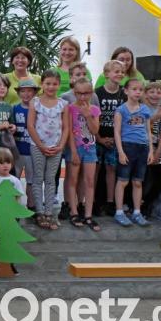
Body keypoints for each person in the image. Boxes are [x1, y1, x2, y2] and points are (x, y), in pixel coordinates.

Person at [26, 70, 69, 230]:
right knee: (38, 178)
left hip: (56, 148)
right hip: (37, 146)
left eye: (54, 84)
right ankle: (39, 212)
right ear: (42, 84)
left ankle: (49, 212)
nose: (51, 87)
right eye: (48, 83)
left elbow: (66, 128)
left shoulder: (63, 104)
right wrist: (41, 146)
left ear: (59, 85)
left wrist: (60, 145)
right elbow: (30, 125)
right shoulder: (35, 102)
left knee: (51, 179)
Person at [113, 79, 153, 227]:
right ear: (126, 91)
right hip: (127, 147)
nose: (138, 92)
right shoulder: (121, 110)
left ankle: (137, 212)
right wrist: (121, 152)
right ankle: (119, 212)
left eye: (140, 90)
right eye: (134, 89)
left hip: (142, 148)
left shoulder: (145, 109)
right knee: (123, 181)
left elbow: (148, 131)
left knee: (137, 182)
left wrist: (151, 150)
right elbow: (117, 132)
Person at [64, 78, 101, 231]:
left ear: (91, 93)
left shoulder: (94, 109)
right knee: (72, 180)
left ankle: (88, 215)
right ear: (74, 92)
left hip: (90, 148)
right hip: (75, 148)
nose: (82, 97)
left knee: (89, 181)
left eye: (86, 93)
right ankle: (73, 212)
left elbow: (95, 130)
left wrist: (87, 115)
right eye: (79, 93)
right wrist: (73, 152)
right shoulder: (70, 108)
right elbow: (69, 132)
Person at [94, 60, 126, 217]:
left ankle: (110, 202)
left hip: (115, 140)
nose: (120, 74)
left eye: (122, 72)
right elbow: (92, 118)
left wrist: (117, 139)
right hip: (98, 138)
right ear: (107, 74)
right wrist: (99, 138)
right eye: (116, 71)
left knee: (112, 170)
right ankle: (92, 201)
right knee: (95, 170)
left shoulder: (124, 94)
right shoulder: (97, 93)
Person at [142, 83, 161, 217]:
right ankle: (132, 205)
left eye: (158, 93)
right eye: (152, 92)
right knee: (139, 178)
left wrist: (158, 152)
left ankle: (145, 203)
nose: (155, 95)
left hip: (155, 149)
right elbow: (142, 126)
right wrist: (158, 115)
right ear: (146, 94)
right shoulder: (141, 108)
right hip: (141, 147)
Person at [12, 80, 39, 210]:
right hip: (17, 151)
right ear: (18, 93)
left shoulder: (38, 109)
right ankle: (14, 205)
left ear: (34, 93)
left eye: (29, 91)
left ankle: (31, 204)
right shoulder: (14, 109)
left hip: (32, 150)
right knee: (14, 179)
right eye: (23, 91)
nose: (26, 94)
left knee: (31, 180)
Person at [0, 74, 18, 165]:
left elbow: (11, 122)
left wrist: (13, 127)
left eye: (5, 86)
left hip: (5, 145)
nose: (2, 88)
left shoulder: (8, 106)